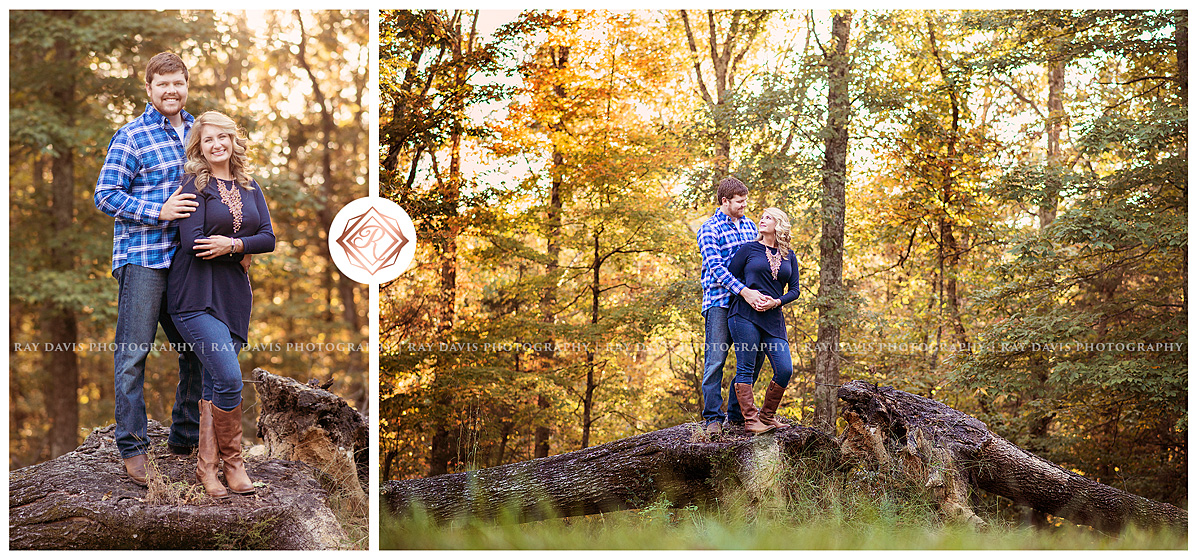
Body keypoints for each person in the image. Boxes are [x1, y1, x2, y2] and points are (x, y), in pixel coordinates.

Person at [94, 52, 204, 485]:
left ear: (186, 84)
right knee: (132, 355)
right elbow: (106, 195)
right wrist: (159, 212)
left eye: (177, 83)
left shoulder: (201, 132)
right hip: (142, 259)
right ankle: (133, 447)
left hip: (190, 263)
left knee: (197, 348)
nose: (171, 91)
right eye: (162, 84)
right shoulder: (131, 136)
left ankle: (184, 435)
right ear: (149, 89)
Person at [167, 111, 275, 498]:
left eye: (223, 138)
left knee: (215, 383)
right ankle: (234, 462)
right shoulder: (193, 186)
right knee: (229, 377)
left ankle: (208, 469)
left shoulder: (251, 187)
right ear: (199, 145)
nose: (217, 145)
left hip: (234, 296)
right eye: (208, 139)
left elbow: (268, 238)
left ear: (233, 141)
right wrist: (243, 250)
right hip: (193, 295)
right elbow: (194, 244)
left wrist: (232, 245)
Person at [696, 177, 771, 438]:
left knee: (753, 356)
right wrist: (745, 291)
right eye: (740, 202)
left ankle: (736, 414)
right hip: (719, 303)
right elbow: (716, 269)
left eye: (745, 200)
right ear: (725, 201)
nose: (744, 205)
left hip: (746, 305)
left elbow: (761, 258)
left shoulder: (751, 227)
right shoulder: (709, 229)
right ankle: (713, 418)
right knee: (716, 360)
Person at [727, 207, 801, 434]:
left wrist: (776, 302)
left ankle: (767, 416)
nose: (762, 220)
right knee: (747, 366)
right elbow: (730, 277)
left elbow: (795, 290)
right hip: (744, 315)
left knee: (785, 369)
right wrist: (748, 296)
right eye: (762, 217)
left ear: (779, 224)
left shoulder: (789, 255)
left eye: (768, 217)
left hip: (773, 318)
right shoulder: (748, 249)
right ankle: (750, 420)